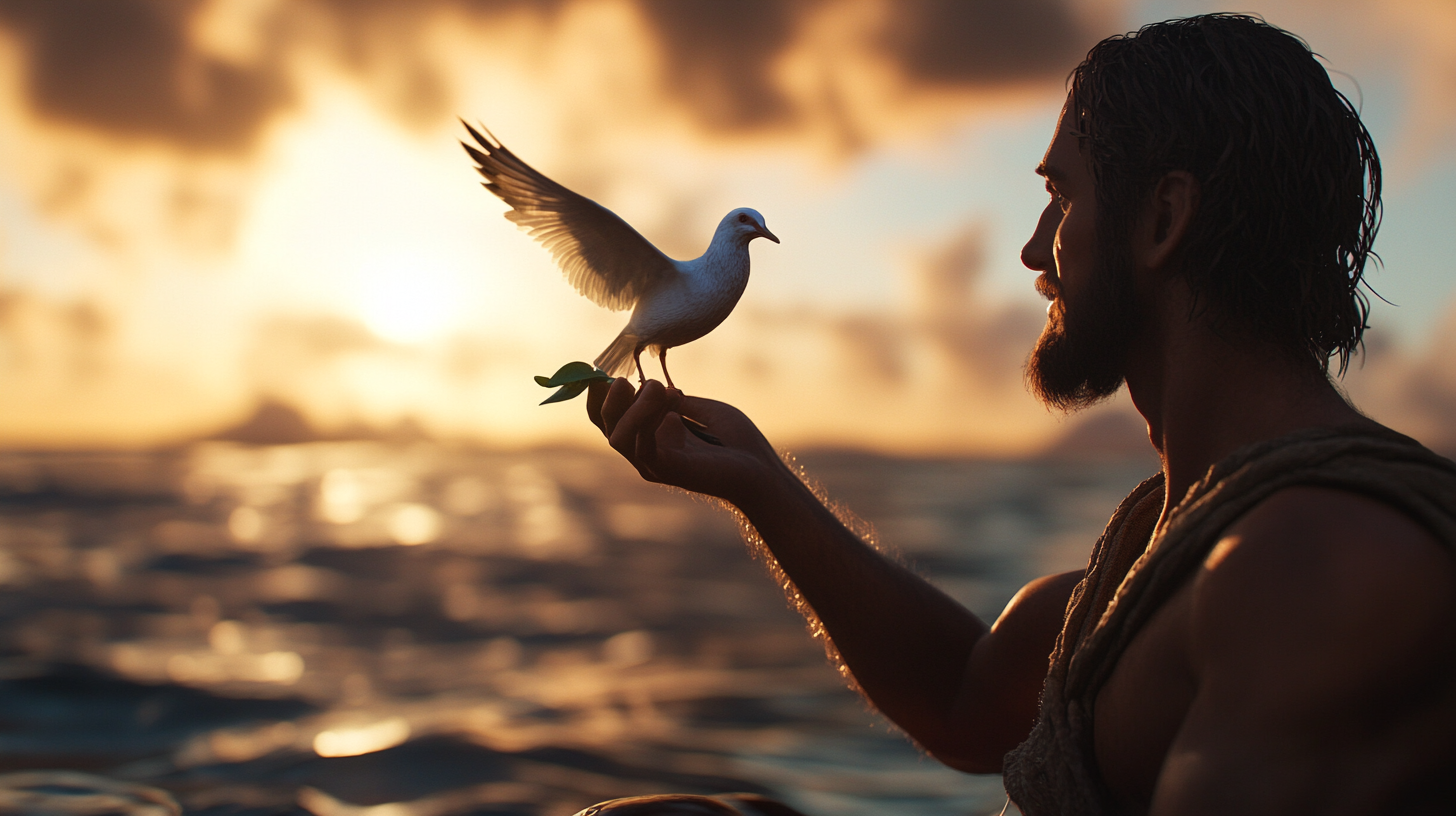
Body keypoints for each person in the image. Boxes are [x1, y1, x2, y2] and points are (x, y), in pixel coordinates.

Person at [584, 14, 1456, 816]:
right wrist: (761, 484)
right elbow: (967, 699)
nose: (1035, 251)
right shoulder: (1168, 543)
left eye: (1063, 199)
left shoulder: (1321, 575)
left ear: (1162, 219)